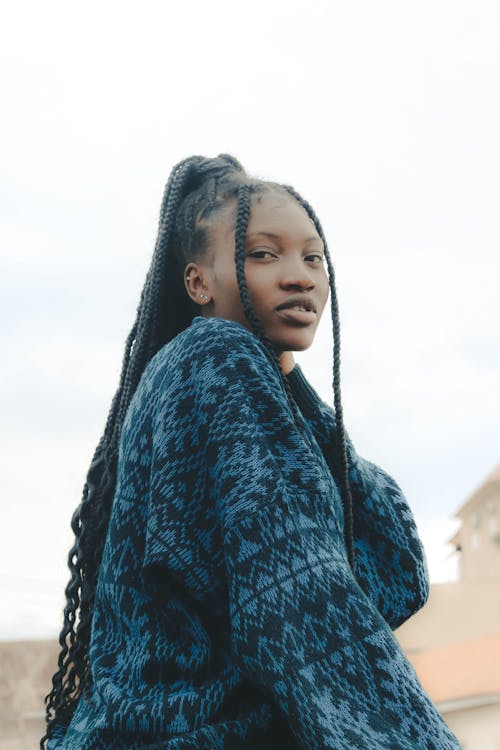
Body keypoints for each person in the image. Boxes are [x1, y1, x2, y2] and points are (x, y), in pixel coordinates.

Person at [42, 154, 462, 749]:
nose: (300, 276)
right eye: (263, 254)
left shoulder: (216, 375)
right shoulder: (217, 357)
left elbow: (396, 569)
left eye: (313, 256)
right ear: (197, 282)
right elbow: (298, 603)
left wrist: (288, 373)